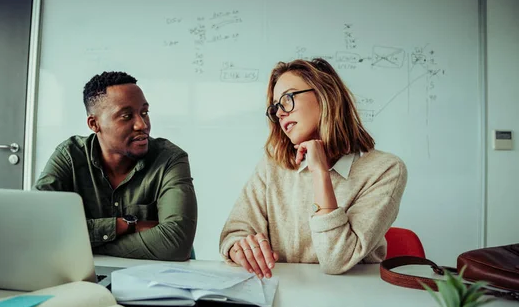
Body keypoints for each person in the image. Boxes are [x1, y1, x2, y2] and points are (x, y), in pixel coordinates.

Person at [219, 58, 407, 277]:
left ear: (325, 95)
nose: (280, 113)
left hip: (353, 302)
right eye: (276, 107)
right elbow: (234, 232)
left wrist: (320, 173)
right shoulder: (272, 166)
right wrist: (239, 248)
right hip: (282, 295)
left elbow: (337, 261)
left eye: (287, 99)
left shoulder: (385, 169)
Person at [34, 71, 197, 261]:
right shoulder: (69, 156)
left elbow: (175, 244)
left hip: (152, 279)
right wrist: (125, 225)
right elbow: (38, 227)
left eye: (144, 112)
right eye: (127, 116)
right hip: (81, 276)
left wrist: (80, 243)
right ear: (94, 124)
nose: (142, 124)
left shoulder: (170, 159)